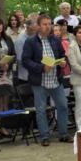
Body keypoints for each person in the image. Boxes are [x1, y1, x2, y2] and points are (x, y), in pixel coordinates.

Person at [22, 15, 71, 146]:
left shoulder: (55, 39)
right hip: (40, 81)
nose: (48, 26)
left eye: (49, 24)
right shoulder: (31, 41)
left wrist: (63, 62)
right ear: (38, 26)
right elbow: (25, 61)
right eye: (44, 24)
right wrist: (41, 68)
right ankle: (44, 136)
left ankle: (63, 134)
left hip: (55, 79)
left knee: (62, 106)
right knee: (41, 109)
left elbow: (62, 55)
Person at [14, 18, 38, 85]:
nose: (37, 30)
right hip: (25, 77)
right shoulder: (20, 40)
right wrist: (37, 66)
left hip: (37, 75)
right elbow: (20, 59)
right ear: (28, 27)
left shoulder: (36, 37)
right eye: (35, 28)